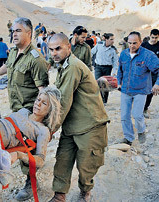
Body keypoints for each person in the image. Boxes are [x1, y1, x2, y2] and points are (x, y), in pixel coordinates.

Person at [48, 33, 109, 202]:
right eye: (51, 49)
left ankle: (85, 192)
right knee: (63, 161)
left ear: (69, 46)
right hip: (71, 125)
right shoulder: (64, 66)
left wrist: (50, 129)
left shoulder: (73, 66)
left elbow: (64, 101)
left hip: (90, 125)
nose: (54, 53)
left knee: (86, 166)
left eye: (58, 48)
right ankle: (59, 195)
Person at [0, 17, 49, 113]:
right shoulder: (13, 52)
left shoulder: (36, 59)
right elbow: (8, 66)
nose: (14, 34)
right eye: (13, 31)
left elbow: (43, 92)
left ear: (29, 33)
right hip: (15, 110)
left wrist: (37, 117)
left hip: (29, 112)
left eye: (18, 31)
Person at [117, 31, 159, 145]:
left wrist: (158, 83)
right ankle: (128, 138)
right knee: (124, 116)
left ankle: (141, 131)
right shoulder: (124, 54)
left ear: (140, 42)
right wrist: (119, 82)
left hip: (141, 90)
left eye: (135, 43)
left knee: (137, 114)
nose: (132, 46)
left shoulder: (148, 55)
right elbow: (120, 69)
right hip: (126, 89)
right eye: (129, 43)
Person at [141, 29, 159, 117]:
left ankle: (145, 108)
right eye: (152, 37)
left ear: (158, 37)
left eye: (156, 38)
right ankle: (138, 106)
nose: (154, 39)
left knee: (150, 91)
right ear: (150, 35)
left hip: (154, 72)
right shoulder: (144, 45)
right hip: (143, 70)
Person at [91, 33, 118, 105]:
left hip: (107, 68)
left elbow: (115, 62)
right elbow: (91, 52)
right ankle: (98, 100)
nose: (113, 41)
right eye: (111, 39)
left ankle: (104, 101)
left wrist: (114, 71)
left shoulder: (113, 50)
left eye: (113, 39)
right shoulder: (99, 45)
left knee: (106, 85)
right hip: (98, 67)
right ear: (106, 39)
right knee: (97, 84)